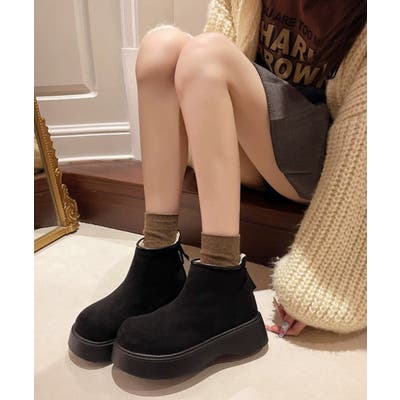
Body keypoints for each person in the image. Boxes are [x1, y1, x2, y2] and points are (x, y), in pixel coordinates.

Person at [68, 0, 367, 378]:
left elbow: (364, 147)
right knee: (161, 48)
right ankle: (157, 263)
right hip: (260, 145)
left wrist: (321, 279)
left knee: (206, 55)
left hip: (323, 161)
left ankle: (222, 280)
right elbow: (207, 71)